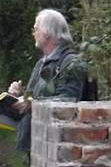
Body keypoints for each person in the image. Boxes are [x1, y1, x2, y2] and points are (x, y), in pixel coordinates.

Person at [8, 9, 87, 155]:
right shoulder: (41, 63)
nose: (33, 33)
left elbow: (68, 101)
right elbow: (37, 96)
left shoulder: (72, 63)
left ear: (47, 32)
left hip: (58, 143)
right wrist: (20, 94)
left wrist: (31, 103)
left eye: (35, 28)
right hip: (38, 140)